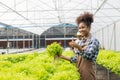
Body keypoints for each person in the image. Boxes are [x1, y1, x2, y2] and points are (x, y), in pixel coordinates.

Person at [58, 12, 100, 80]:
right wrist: (61, 56)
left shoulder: (94, 41)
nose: (80, 30)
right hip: (78, 73)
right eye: (79, 28)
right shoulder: (81, 41)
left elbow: (88, 56)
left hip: (88, 75)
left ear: (89, 27)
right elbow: (76, 59)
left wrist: (78, 46)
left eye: (83, 27)